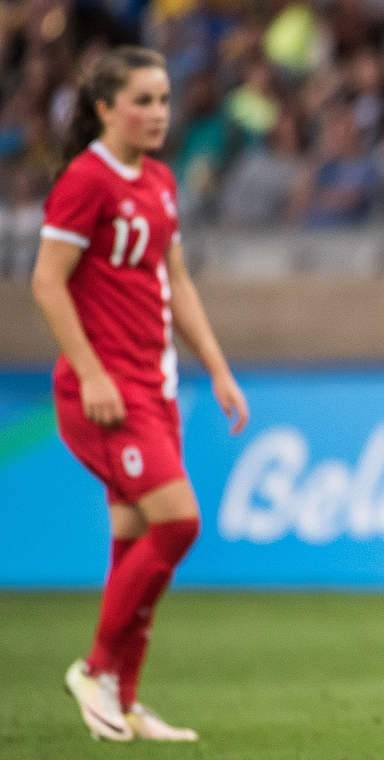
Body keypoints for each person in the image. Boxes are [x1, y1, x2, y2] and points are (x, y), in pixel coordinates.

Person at [30, 46, 249, 743]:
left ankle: (121, 698)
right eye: (142, 100)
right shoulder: (86, 182)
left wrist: (215, 366)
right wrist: (90, 371)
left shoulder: (157, 180)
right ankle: (95, 670)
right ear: (104, 108)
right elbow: (46, 280)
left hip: (153, 386)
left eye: (163, 99)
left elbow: (174, 279)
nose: (158, 113)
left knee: (133, 539)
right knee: (178, 522)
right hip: (105, 394)